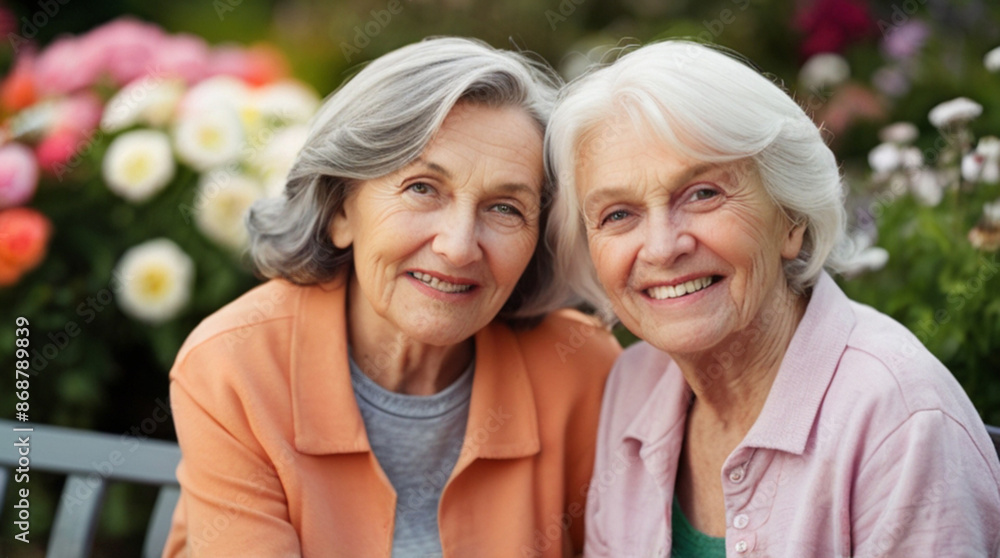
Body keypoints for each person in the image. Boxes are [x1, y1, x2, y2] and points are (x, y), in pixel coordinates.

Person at [162, 37, 620, 558]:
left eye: (505, 209)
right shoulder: (236, 365)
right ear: (339, 210)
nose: (457, 247)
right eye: (423, 188)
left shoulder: (581, 369)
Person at [546, 40, 1000, 557]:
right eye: (618, 215)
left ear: (792, 219)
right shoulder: (632, 384)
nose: (662, 247)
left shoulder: (901, 420)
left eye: (703, 194)